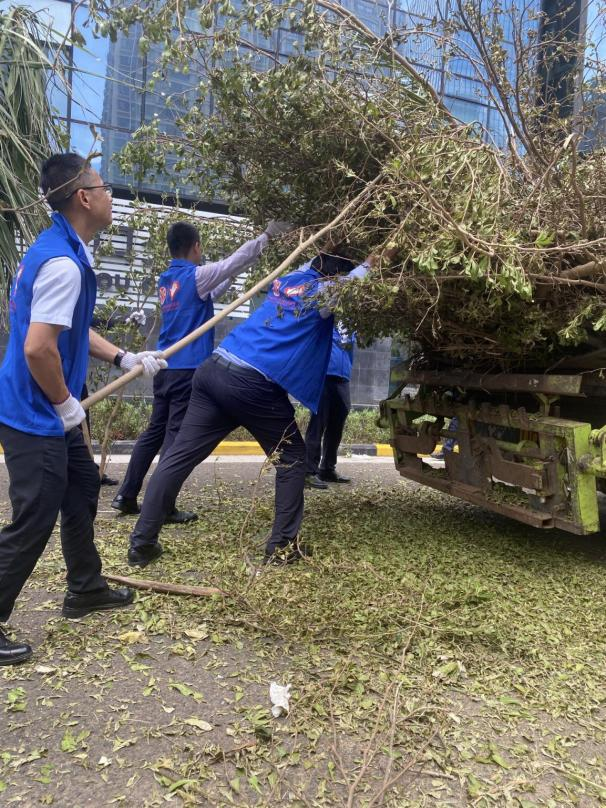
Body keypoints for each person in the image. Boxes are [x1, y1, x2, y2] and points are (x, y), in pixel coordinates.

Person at [0, 153, 167, 666]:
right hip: (36, 413)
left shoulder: (64, 250)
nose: (112, 196)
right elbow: (38, 348)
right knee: (34, 518)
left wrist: (123, 356)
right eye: (106, 187)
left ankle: (85, 588)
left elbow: (67, 329)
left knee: (80, 492)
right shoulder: (62, 264)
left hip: (49, 409)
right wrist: (67, 405)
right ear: (84, 197)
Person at [126, 250, 375, 569]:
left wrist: (329, 245)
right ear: (333, 275)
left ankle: (142, 544)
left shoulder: (291, 279)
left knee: (178, 456)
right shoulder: (321, 291)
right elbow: (349, 286)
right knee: (293, 459)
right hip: (253, 382)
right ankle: (282, 548)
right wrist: (372, 262)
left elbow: (312, 263)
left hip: (214, 369)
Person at [111, 219, 291, 522]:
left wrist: (231, 278)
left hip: (165, 368)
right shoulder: (195, 276)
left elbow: (212, 289)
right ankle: (162, 508)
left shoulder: (167, 280)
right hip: (186, 369)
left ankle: (126, 495)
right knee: (174, 440)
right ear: (196, 247)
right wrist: (267, 236)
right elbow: (232, 263)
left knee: (153, 433)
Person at [305, 325, 355, 489]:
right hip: (324, 377)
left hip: (343, 379)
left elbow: (351, 350)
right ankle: (308, 472)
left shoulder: (352, 327)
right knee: (317, 425)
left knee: (337, 426)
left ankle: (327, 469)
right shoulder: (326, 320)